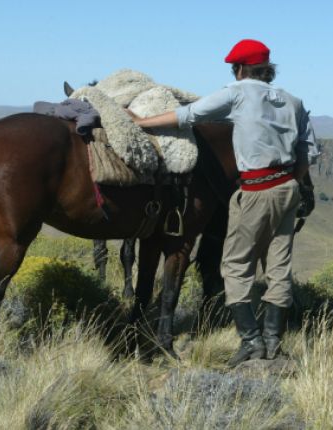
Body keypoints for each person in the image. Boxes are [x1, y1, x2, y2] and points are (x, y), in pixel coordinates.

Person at [129, 39, 319, 366]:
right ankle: (273, 343)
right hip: (288, 188)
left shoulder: (238, 93)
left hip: (257, 189)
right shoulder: (294, 101)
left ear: (240, 68)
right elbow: (309, 152)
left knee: (234, 265)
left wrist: (140, 123)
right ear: (267, 69)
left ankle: (250, 341)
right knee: (277, 267)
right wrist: (289, 179)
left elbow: (188, 115)